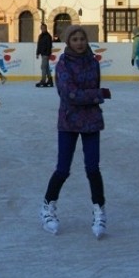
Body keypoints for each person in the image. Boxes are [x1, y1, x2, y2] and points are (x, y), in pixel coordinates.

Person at [39, 25, 110, 239]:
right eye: (75, 39)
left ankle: (99, 210)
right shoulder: (63, 64)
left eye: (82, 39)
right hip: (69, 120)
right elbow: (69, 94)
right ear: (68, 42)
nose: (79, 42)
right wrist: (97, 95)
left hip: (91, 121)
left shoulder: (93, 62)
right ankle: (47, 207)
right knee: (62, 169)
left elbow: (84, 91)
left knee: (93, 169)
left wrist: (92, 95)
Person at [35, 23, 54, 88]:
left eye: (44, 28)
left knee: (43, 67)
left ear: (46, 28)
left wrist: (48, 54)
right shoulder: (40, 36)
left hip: (46, 54)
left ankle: (43, 80)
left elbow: (49, 46)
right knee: (46, 67)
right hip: (43, 54)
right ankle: (50, 80)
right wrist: (37, 53)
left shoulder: (48, 36)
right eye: (42, 28)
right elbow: (39, 45)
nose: (42, 29)